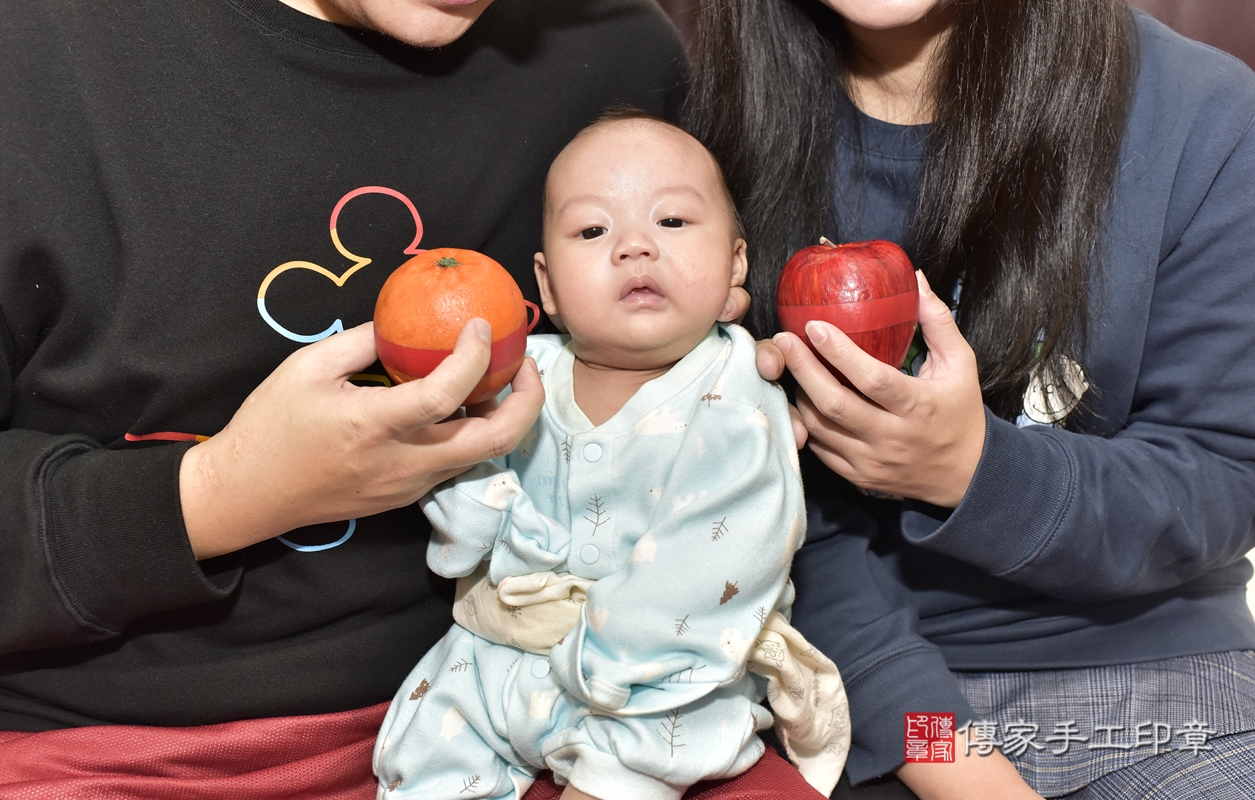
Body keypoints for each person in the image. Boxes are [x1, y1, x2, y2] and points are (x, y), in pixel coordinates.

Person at [0, 0, 700, 795]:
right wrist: (230, 493)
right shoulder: (35, 53)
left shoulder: (617, 55)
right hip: (105, 744)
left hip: (526, 704)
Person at [684, 0, 1255, 798]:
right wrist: (961, 769)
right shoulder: (707, 141)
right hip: (868, 708)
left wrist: (973, 471)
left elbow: (1218, 478)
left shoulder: (1199, 115)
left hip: (1156, 694)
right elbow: (753, 528)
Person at [373, 113, 848, 800]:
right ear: (547, 286)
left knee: (658, 744)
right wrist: (473, 475)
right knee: (427, 740)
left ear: (735, 263)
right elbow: (461, 496)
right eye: (593, 231)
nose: (633, 248)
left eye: (673, 223)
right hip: (497, 653)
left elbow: (716, 557)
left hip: (659, 677)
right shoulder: (519, 377)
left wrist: (607, 670)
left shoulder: (738, 394)